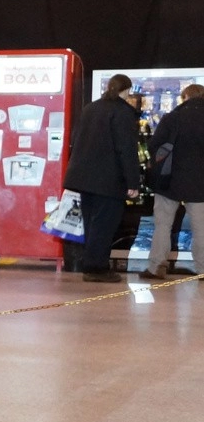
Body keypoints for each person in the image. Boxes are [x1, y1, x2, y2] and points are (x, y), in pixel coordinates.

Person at [64, 73, 141, 283]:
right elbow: (126, 150)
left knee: (91, 224)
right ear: (127, 90)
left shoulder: (90, 108)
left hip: (83, 177)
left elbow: (76, 139)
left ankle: (90, 263)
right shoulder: (122, 112)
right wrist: (133, 182)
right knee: (105, 225)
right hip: (108, 179)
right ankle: (96, 268)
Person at [142, 83, 204, 280]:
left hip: (169, 180)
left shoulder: (173, 117)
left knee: (163, 225)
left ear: (185, 97)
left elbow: (154, 145)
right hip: (200, 183)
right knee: (201, 228)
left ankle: (156, 267)